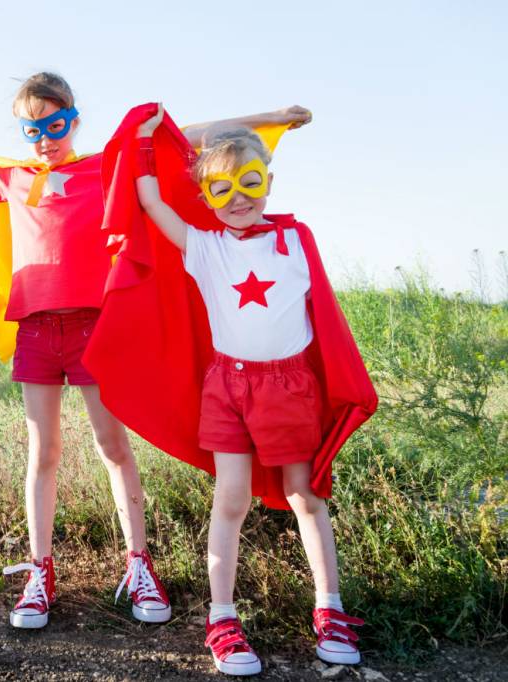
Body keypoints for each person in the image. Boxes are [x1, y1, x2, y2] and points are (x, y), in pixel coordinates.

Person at [0, 72, 313, 630]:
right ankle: (39, 571)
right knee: (42, 452)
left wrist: (270, 117)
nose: (46, 138)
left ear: (74, 120)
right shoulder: (14, 177)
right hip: (35, 328)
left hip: (94, 327)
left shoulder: (104, 165)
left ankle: (139, 563)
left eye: (56, 124)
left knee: (112, 446)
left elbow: (181, 132)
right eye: (34, 129)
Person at [116, 104, 373, 675]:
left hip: (290, 386)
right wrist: (140, 142)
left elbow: (323, 320)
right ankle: (223, 618)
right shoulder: (203, 246)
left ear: (269, 181)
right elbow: (151, 200)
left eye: (250, 182)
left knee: (305, 497)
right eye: (222, 187)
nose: (238, 197)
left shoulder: (295, 240)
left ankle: (329, 610)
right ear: (205, 194)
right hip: (227, 386)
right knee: (230, 498)